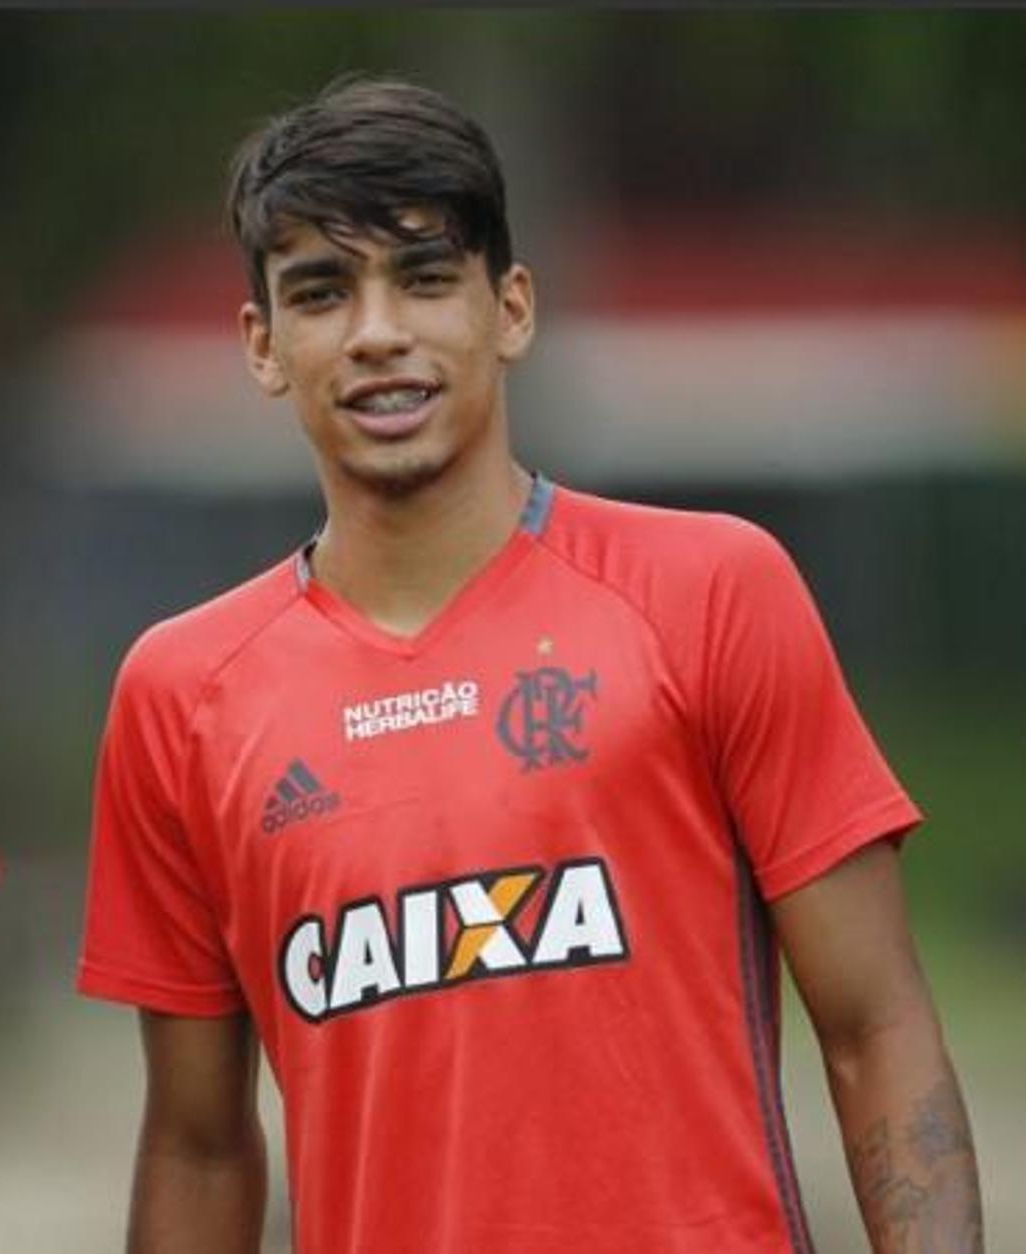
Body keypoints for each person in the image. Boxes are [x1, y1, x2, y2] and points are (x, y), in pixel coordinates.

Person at [76, 76, 982, 1253]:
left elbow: (878, 1028)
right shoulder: (181, 694)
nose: (377, 332)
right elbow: (198, 1147)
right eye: (321, 291)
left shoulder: (709, 591)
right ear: (263, 345)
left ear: (510, 309)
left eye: (424, 276)